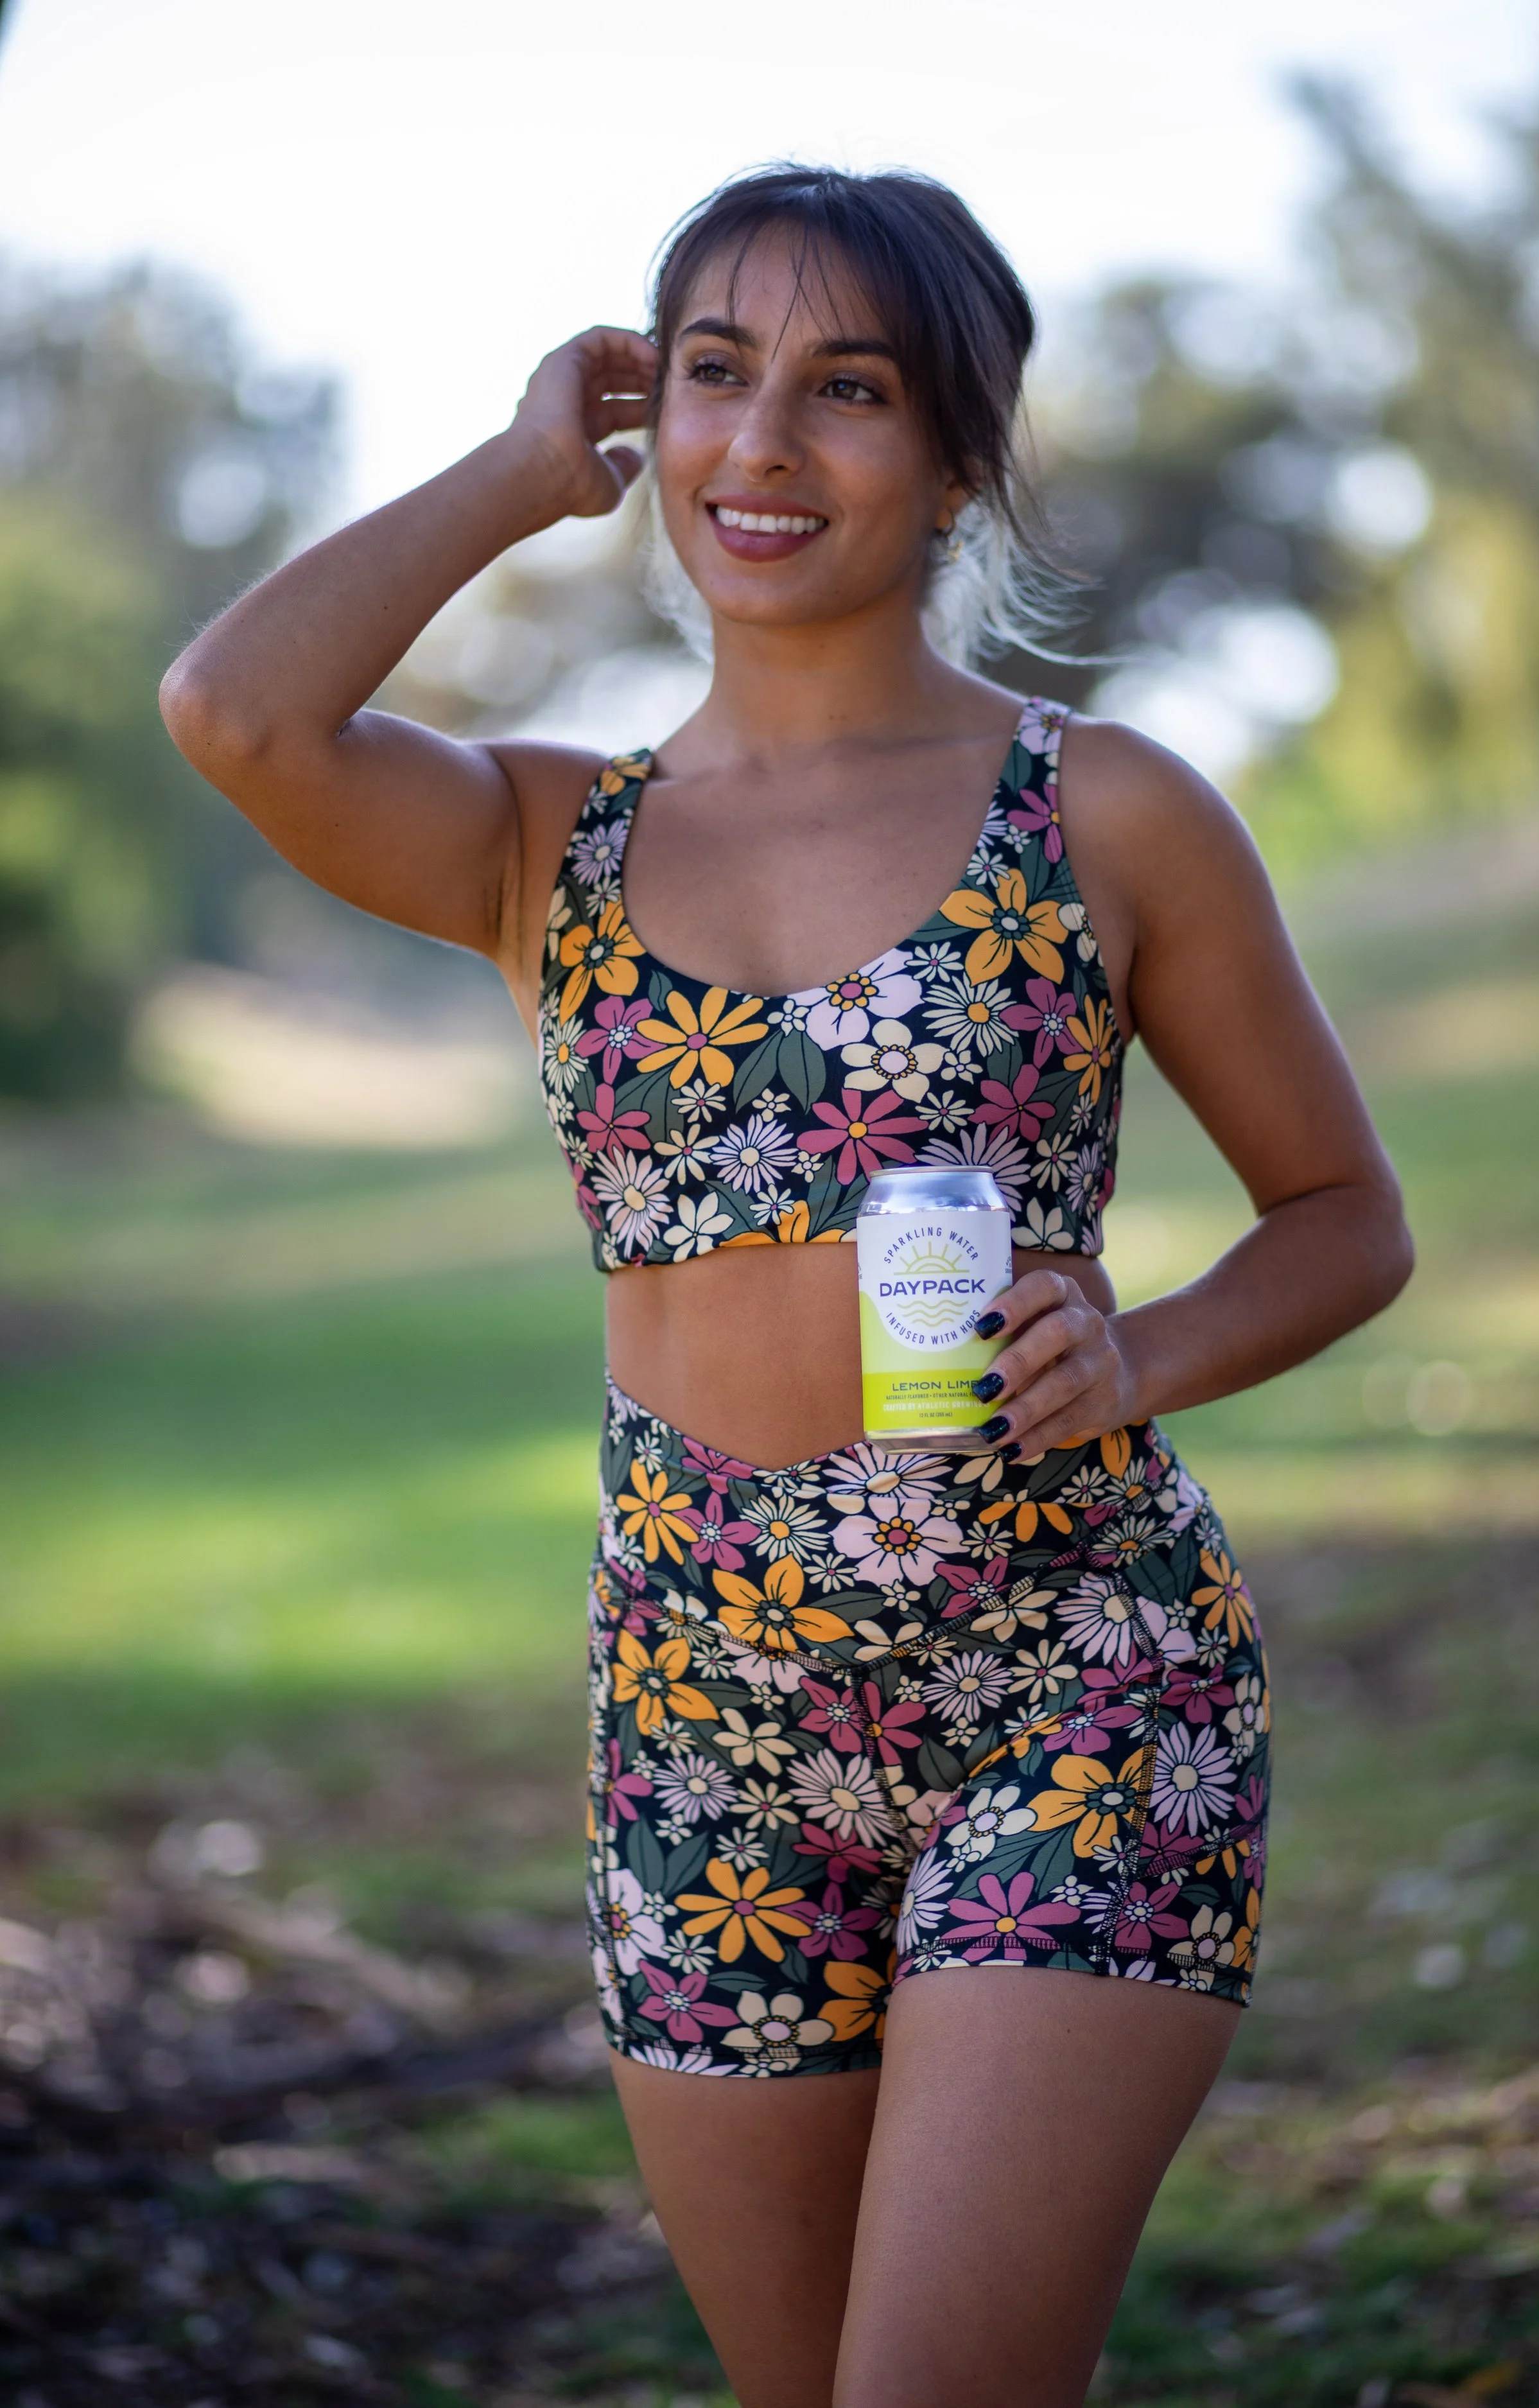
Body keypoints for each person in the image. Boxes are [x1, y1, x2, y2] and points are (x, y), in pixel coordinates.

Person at [160, 164, 1412, 2408]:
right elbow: (237, 715)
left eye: (848, 390)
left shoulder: (1103, 810)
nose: (763, 445)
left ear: (955, 454)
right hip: (701, 1732)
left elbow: (1341, 1211)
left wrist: (1143, 1351)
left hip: (1075, 1690)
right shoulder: (552, 836)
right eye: (716, 374)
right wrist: (510, 476)